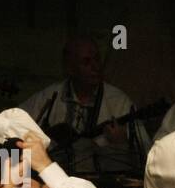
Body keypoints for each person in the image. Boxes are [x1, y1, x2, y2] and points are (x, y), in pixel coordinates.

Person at [19, 36, 147, 174]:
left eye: (97, 59)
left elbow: (146, 152)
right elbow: (15, 123)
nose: (95, 67)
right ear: (70, 68)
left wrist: (123, 143)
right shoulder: (49, 96)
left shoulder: (118, 101)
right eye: (86, 62)